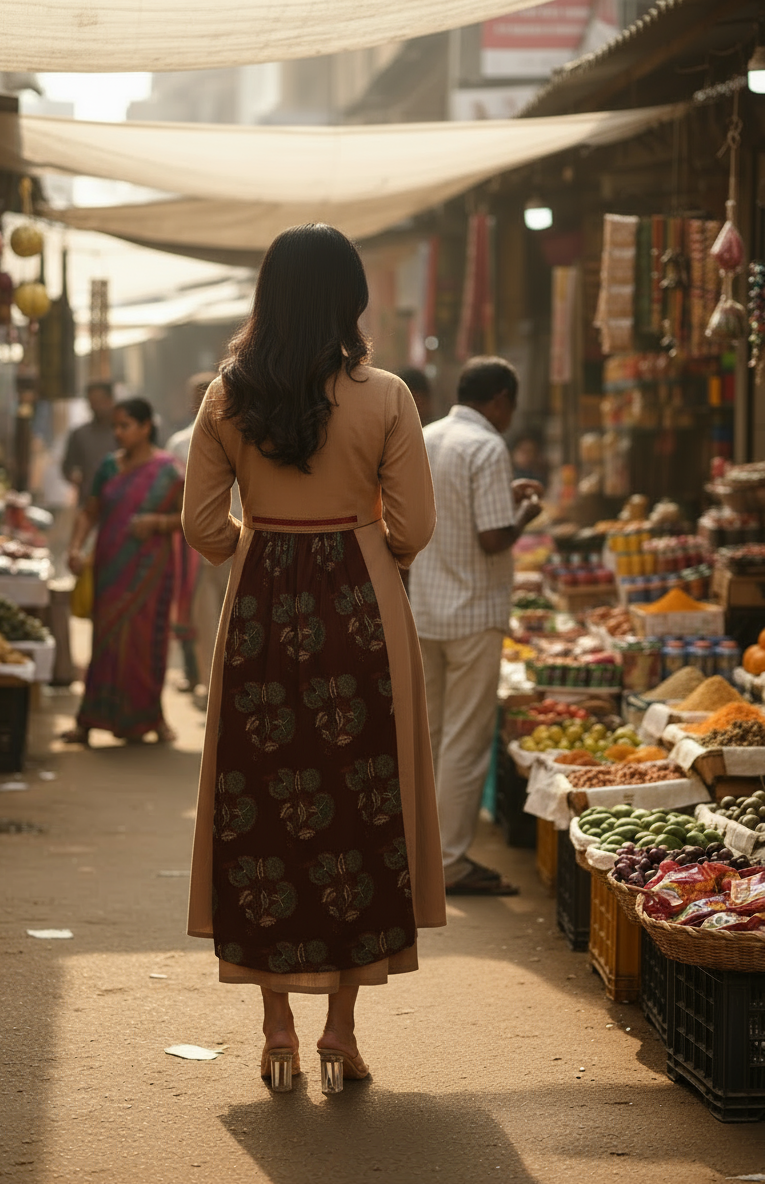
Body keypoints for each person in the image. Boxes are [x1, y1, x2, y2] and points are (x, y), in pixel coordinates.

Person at [182, 224, 445, 1094]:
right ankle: (341, 1028)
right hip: (363, 609)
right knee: (359, 816)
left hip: (260, 614)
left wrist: (253, 547)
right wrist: (362, 539)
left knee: (258, 810)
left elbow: (203, 528)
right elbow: (412, 530)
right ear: (350, 298)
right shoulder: (388, 397)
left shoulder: (227, 394)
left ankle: (277, 1031)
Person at [408, 357, 543, 897]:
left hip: (427, 607)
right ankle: (450, 863)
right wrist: (527, 512)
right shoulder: (487, 446)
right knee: (465, 741)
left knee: (431, 736)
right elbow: (492, 537)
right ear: (501, 399)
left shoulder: (426, 437)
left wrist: (503, 501)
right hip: (472, 614)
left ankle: (421, 854)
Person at [62, 398, 184, 745]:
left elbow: (189, 519)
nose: (118, 433)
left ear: (146, 427)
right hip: (110, 569)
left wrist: (157, 522)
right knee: (105, 639)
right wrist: (75, 547)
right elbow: (89, 512)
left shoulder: (169, 471)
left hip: (150, 572)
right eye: (115, 426)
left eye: (125, 425)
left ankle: (150, 717)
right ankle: (89, 720)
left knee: (147, 642)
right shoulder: (108, 468)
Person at [166, 372, 218, 693]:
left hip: (237, 535)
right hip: (194, 541)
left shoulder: (240, 434)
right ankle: (204, 679)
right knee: (199, 610)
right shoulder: (180, 444)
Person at [61, 381, 116, 506]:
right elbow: (67, 467)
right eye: (92, 402)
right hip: (88, 502)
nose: (96, 406)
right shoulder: (80, 434)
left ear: (110, 400)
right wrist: (75, 477)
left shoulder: (122, 434)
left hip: (119, 502)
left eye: (100, 401)